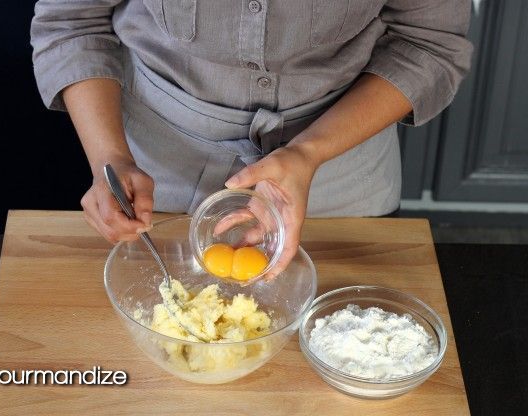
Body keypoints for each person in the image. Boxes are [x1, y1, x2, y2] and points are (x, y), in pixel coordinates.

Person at [31, 0, 472, 277]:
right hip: (156, 162)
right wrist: (110, 156)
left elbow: (428, 44)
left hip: (340, 161)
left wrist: (307, 152)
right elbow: (74, 22)